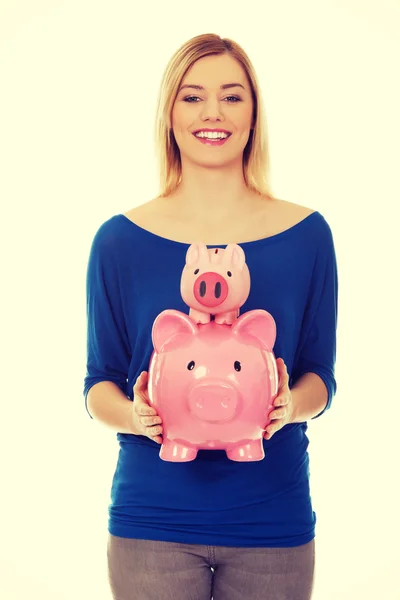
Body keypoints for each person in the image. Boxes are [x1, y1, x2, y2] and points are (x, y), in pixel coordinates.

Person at [83, 33, 338, 600]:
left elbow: (320, 374)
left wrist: (292, 404)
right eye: (193, 97)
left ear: (254, 113)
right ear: (169, 114)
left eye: (232, 96)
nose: (213, 114)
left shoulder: (307, 236)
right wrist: (135, 416)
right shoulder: (119, 241)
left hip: (273, 520)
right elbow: (98, 382)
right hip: (153, 523)